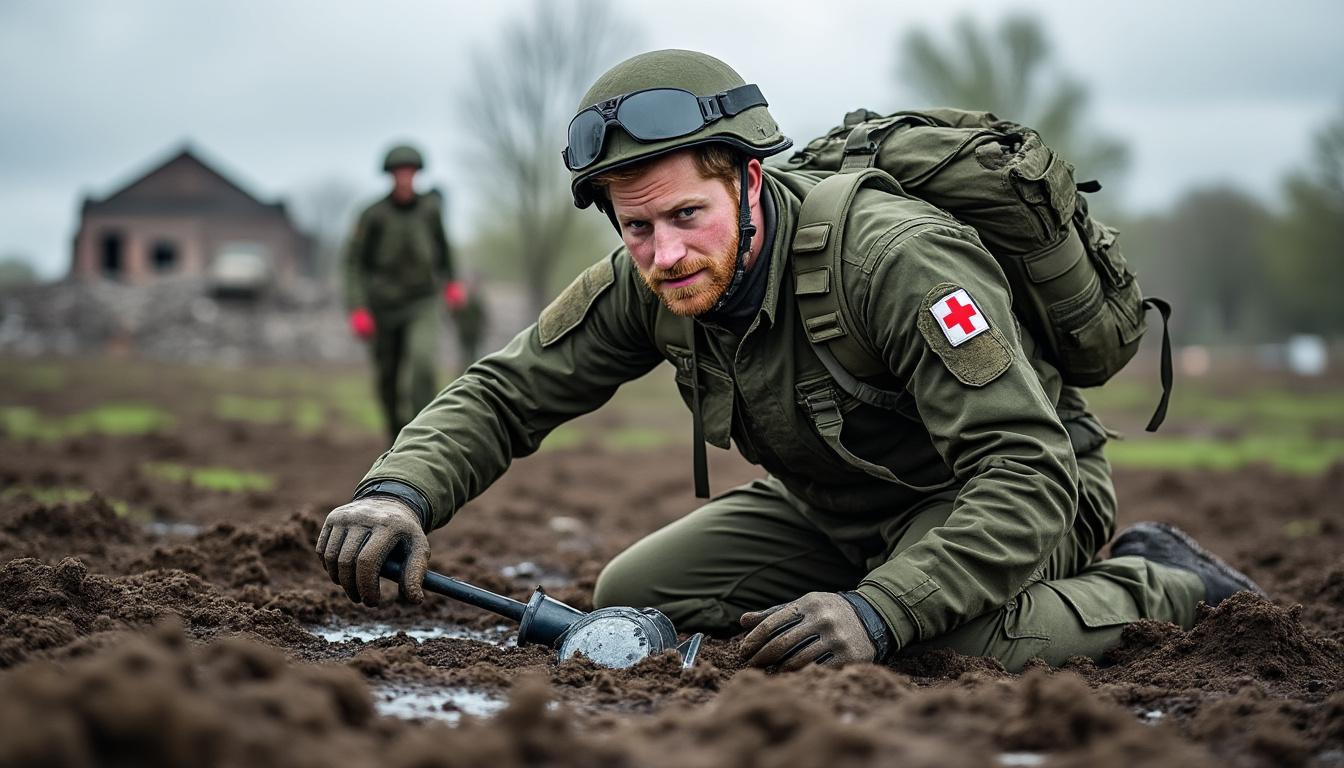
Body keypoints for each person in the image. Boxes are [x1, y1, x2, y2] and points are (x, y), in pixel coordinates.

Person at [317, 51, 1262, 672]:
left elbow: (1026, 473)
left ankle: (1160, 580)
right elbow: (507, 389)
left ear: (750, 181)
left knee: (936, 649)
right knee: (634, 597)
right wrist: (399, 490)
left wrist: (883, 611)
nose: (664, 254)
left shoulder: (892, 261)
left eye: (688, 215)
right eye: (636, 226)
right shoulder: (643, 275)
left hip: (1013, 499)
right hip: (835, 509)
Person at [343, 144, 465, 444]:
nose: (404, 178)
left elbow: (443, 250)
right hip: (383, 305)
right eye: (399, 172)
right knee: (388, 376)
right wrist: (357, 307)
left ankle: (420, 436)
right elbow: (353, 263)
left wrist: (452, 282)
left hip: (422, 300)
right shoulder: (373, 215)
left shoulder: (429, 210)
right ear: (390, 176)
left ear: (417, 174)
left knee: (423, 362)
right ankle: (394, 434)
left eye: (410, 172)